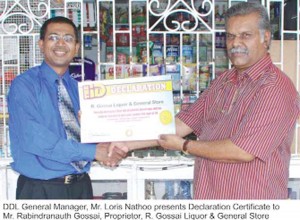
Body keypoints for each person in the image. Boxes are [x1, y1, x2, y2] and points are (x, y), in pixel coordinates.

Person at [112, 2, 300, 199]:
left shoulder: (276, 87)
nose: (236, 43)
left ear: (266, 37)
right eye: (230, 36)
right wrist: (124, 143)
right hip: (210, 203)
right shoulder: (223, 81)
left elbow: (243, 151)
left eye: (246, 35)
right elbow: (180, 125)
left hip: (253, 207)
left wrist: (184, 146)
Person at [8, 16, 127, 199]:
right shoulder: (24, 85)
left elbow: (90, 133)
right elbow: (34, 138)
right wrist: (94, 152)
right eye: (53, 37)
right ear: (41, 44)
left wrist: (108, 148)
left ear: (77, 48)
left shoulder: (80, 90)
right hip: (40, 190)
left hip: (80, 187)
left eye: (69, 38)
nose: (61, 43)